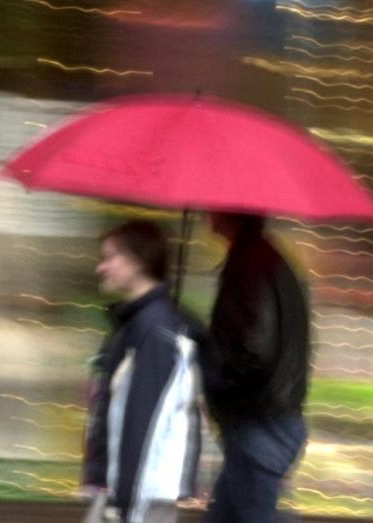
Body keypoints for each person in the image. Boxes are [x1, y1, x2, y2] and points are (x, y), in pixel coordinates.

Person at [81, 220, 203, 523]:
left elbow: (147, 421)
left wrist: (124, 504)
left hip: (139, 494)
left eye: (110, 258)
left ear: (139, 261)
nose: (101, 268)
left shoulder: (153, 329)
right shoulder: (142, 323)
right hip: (131, 489)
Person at [203, 212, 310, 523]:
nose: (206, 211)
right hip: (265, 422)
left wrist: (213, 379)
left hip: (259, 425)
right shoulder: (263, 258)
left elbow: (252, 351)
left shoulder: (250, 265)